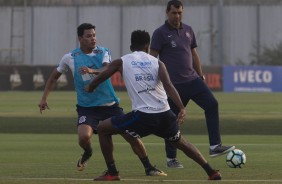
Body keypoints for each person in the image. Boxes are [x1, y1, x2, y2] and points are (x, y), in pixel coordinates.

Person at [85, 30, 222, 181]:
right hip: (166, 115)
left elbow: (105, 74)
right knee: (181, 143)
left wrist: (91, 86)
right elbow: (168, 85)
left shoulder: (122, 61)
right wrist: (181, 108)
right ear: (147, 46)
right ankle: (211, 172)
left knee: (104, 129)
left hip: (142, 117)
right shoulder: (157, 62)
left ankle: (112, 172)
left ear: (131, 46)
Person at [38, 23, 166, 177]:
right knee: (84, 137)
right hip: (87, 107)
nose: (93, 38)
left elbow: (107, 69)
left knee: (131, 136)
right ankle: (88, 152)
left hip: (110, 106)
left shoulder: (103, 52)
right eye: (89, 36)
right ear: (80, 38)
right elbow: (54, 77)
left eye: (94, 35)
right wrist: (44, 98)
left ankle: (149, 167)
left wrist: (92, 71)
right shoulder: (70, 57)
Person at [149, 0, 235, 168]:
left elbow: (194, 54)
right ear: (167, 12)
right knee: (171, 122)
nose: (177, 16)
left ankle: (215, 146)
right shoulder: (159, 33)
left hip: (193, 80)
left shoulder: (188, 30)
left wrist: (201, 75)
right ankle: (171, 159)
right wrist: (156, 82)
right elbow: (152, 59)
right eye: (174, 12)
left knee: (212, 104)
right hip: (174, 85)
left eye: (180, 12)